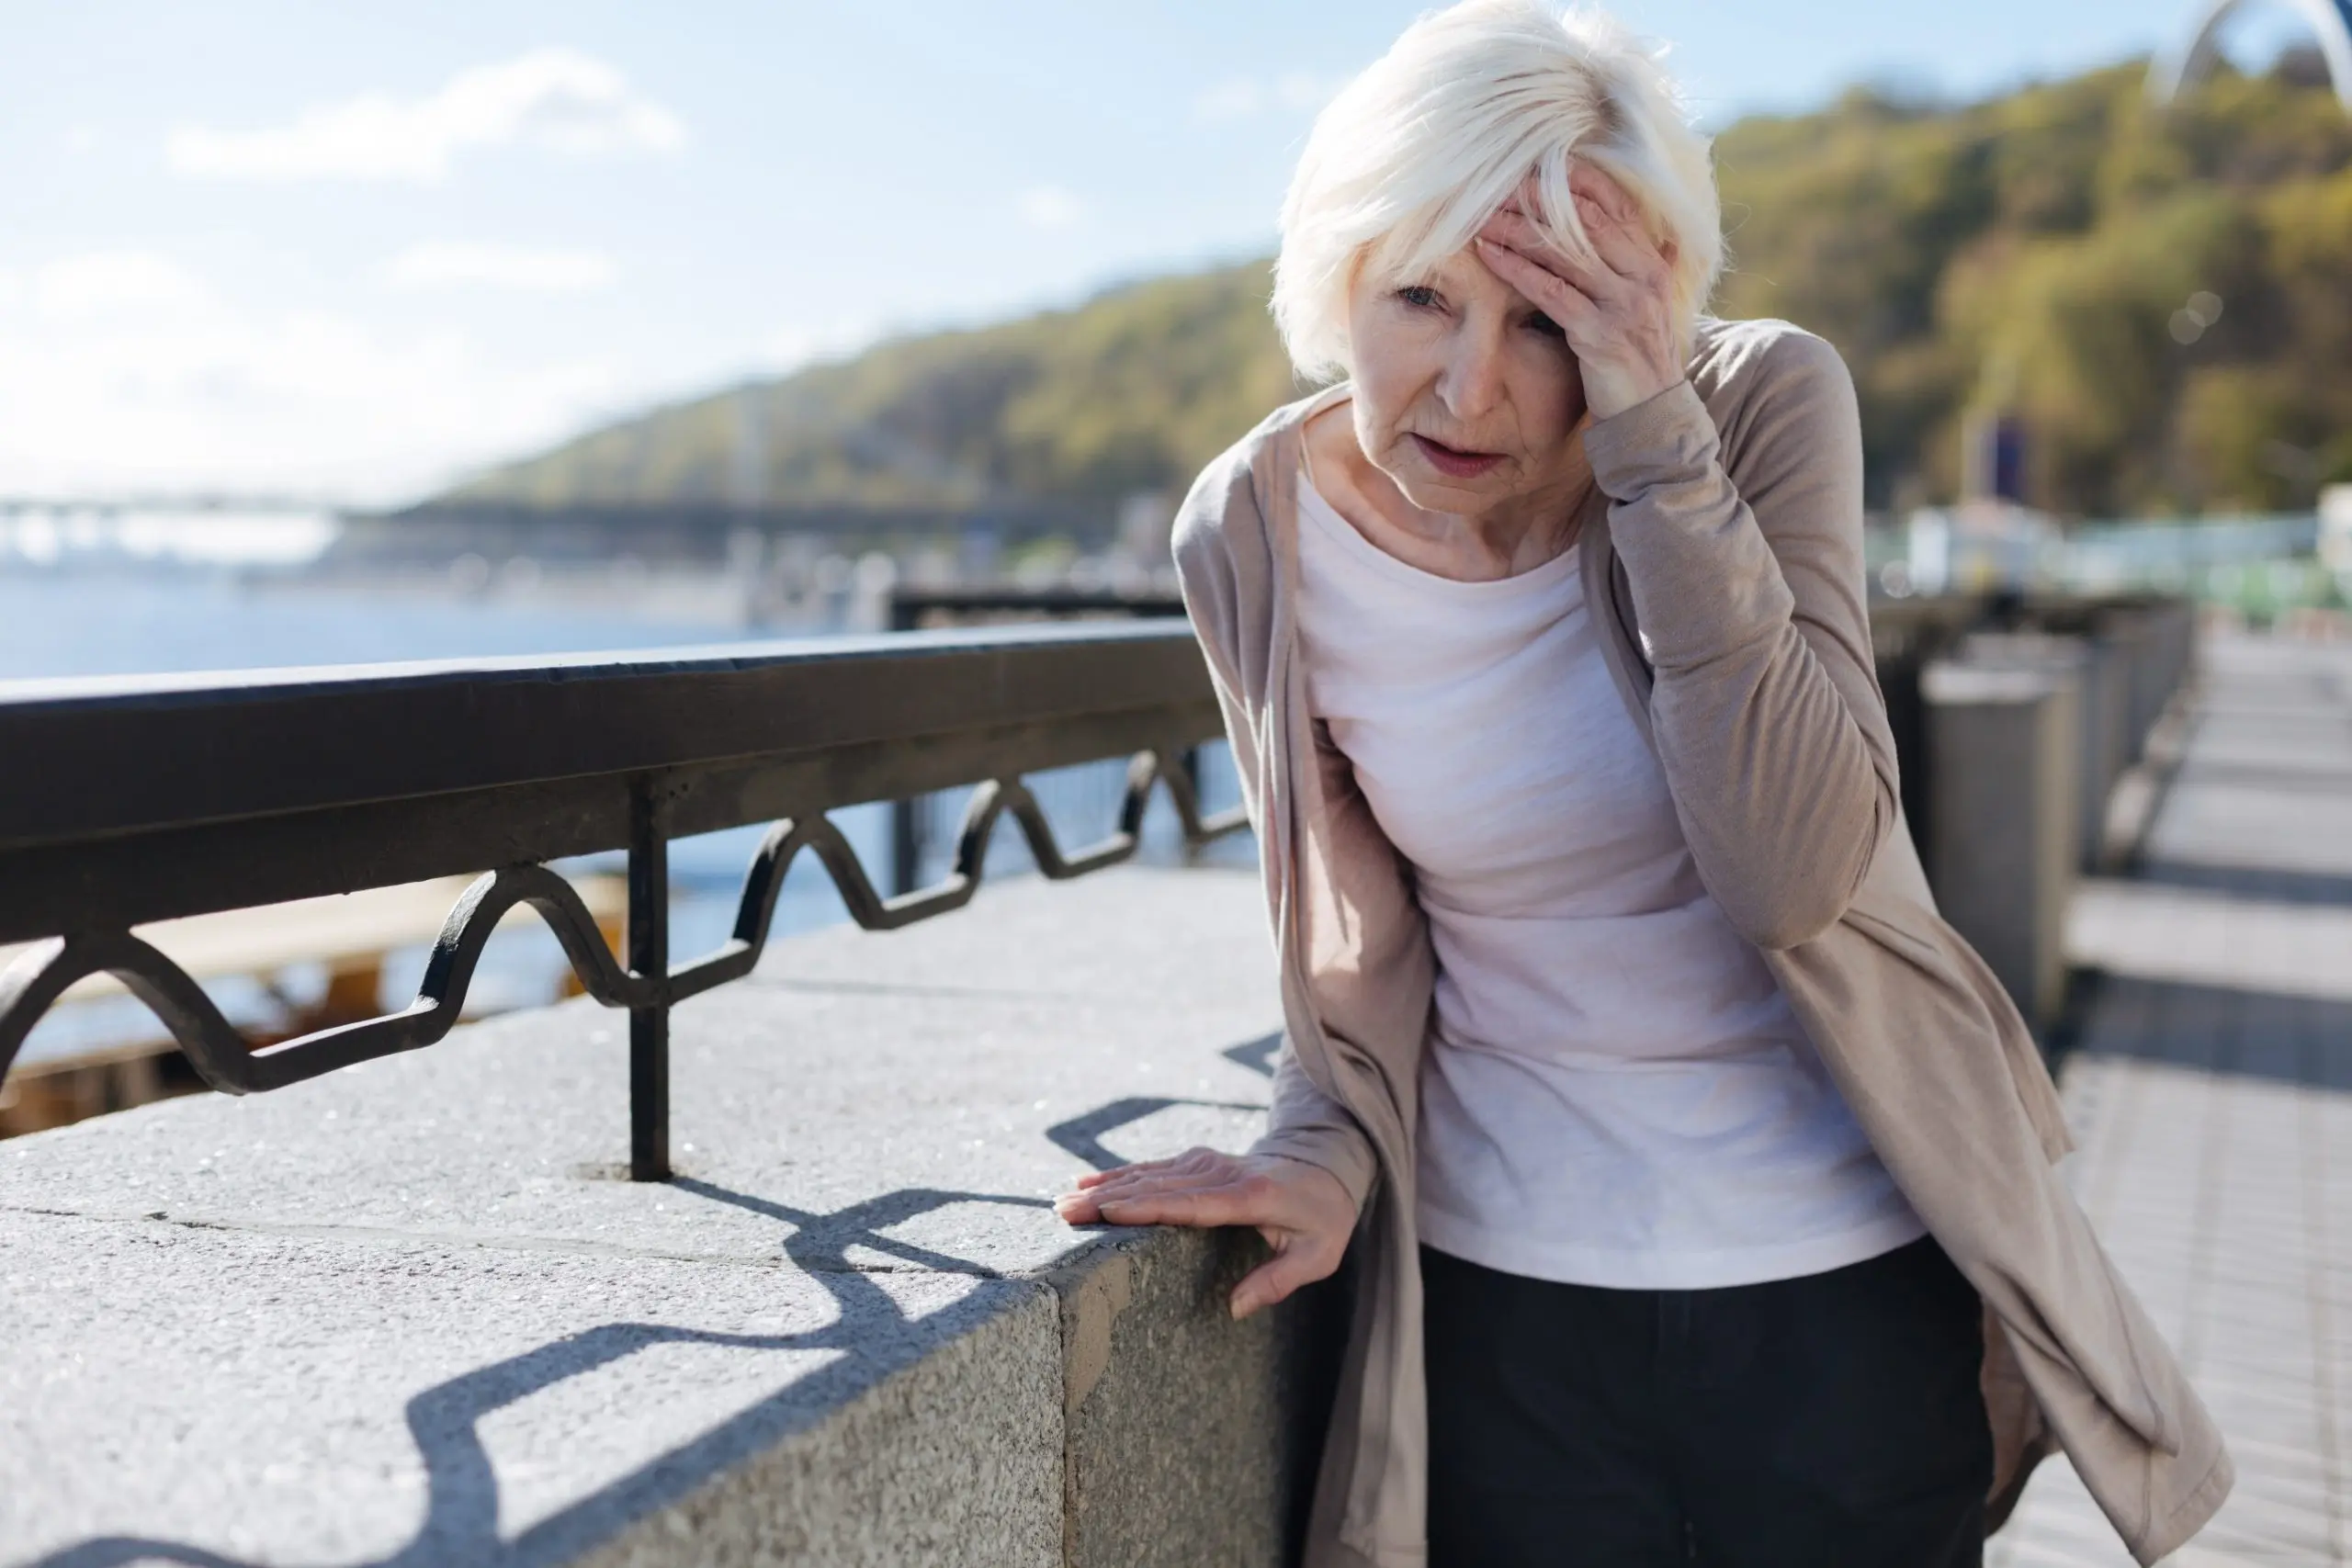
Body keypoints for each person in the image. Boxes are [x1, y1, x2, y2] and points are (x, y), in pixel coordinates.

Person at [1053, 2, 2232, 1564]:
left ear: (1649, 302)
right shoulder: (1253, 530)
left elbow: (1793, 867)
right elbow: (1351, 928)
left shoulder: (1759, 407)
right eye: (1419, 296)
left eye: (1545, 319)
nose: (1471, 388)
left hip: (1843, 1296)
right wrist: (1316, 1146)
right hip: (1507, 1316)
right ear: (1334, 277)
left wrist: (1659, 439)